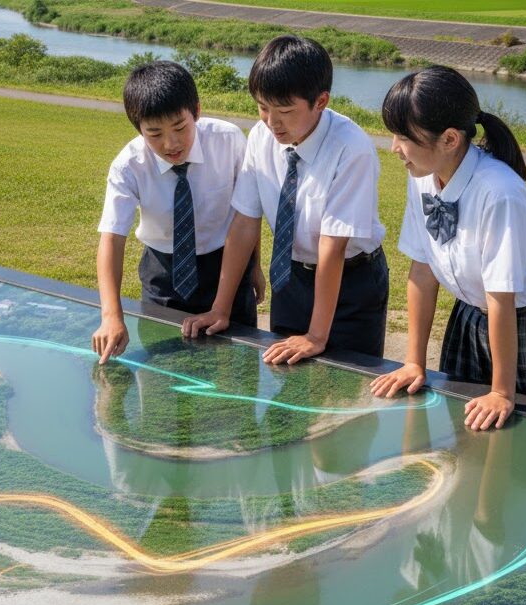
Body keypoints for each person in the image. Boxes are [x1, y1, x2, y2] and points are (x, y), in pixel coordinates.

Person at [370, 65, 526, 429]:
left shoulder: (499, 193)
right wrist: (413, 362)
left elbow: (501, 295)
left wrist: (503, 391)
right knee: (469, 443)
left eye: (404, 137)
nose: (394, 148)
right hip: (472, 321)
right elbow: (422, 271)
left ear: (450, 139)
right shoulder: (422, 177)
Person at [182, 35, 388, 364]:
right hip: (290, 278)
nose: (272, 122)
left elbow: (332, 247)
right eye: (263, 107)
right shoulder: (262, 137)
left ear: (320, 101)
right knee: (287, 382)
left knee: (348, 392)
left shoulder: (352, 149)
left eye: (285, 111)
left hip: (351, 283)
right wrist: (220, 308)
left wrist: (316, 335)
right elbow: (245, 222)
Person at [92, 61, 264, 364]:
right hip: (164, 277)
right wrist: (111, 316)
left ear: (196, 111)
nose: (170, 144)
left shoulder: (229, 141)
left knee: (237, 373)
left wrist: (254, 267)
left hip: (226, 269)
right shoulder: (128, 165)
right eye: (154, 133)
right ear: (138, 127)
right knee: (164, 373)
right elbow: (112, 238)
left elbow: (247, 213)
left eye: (180, 128)